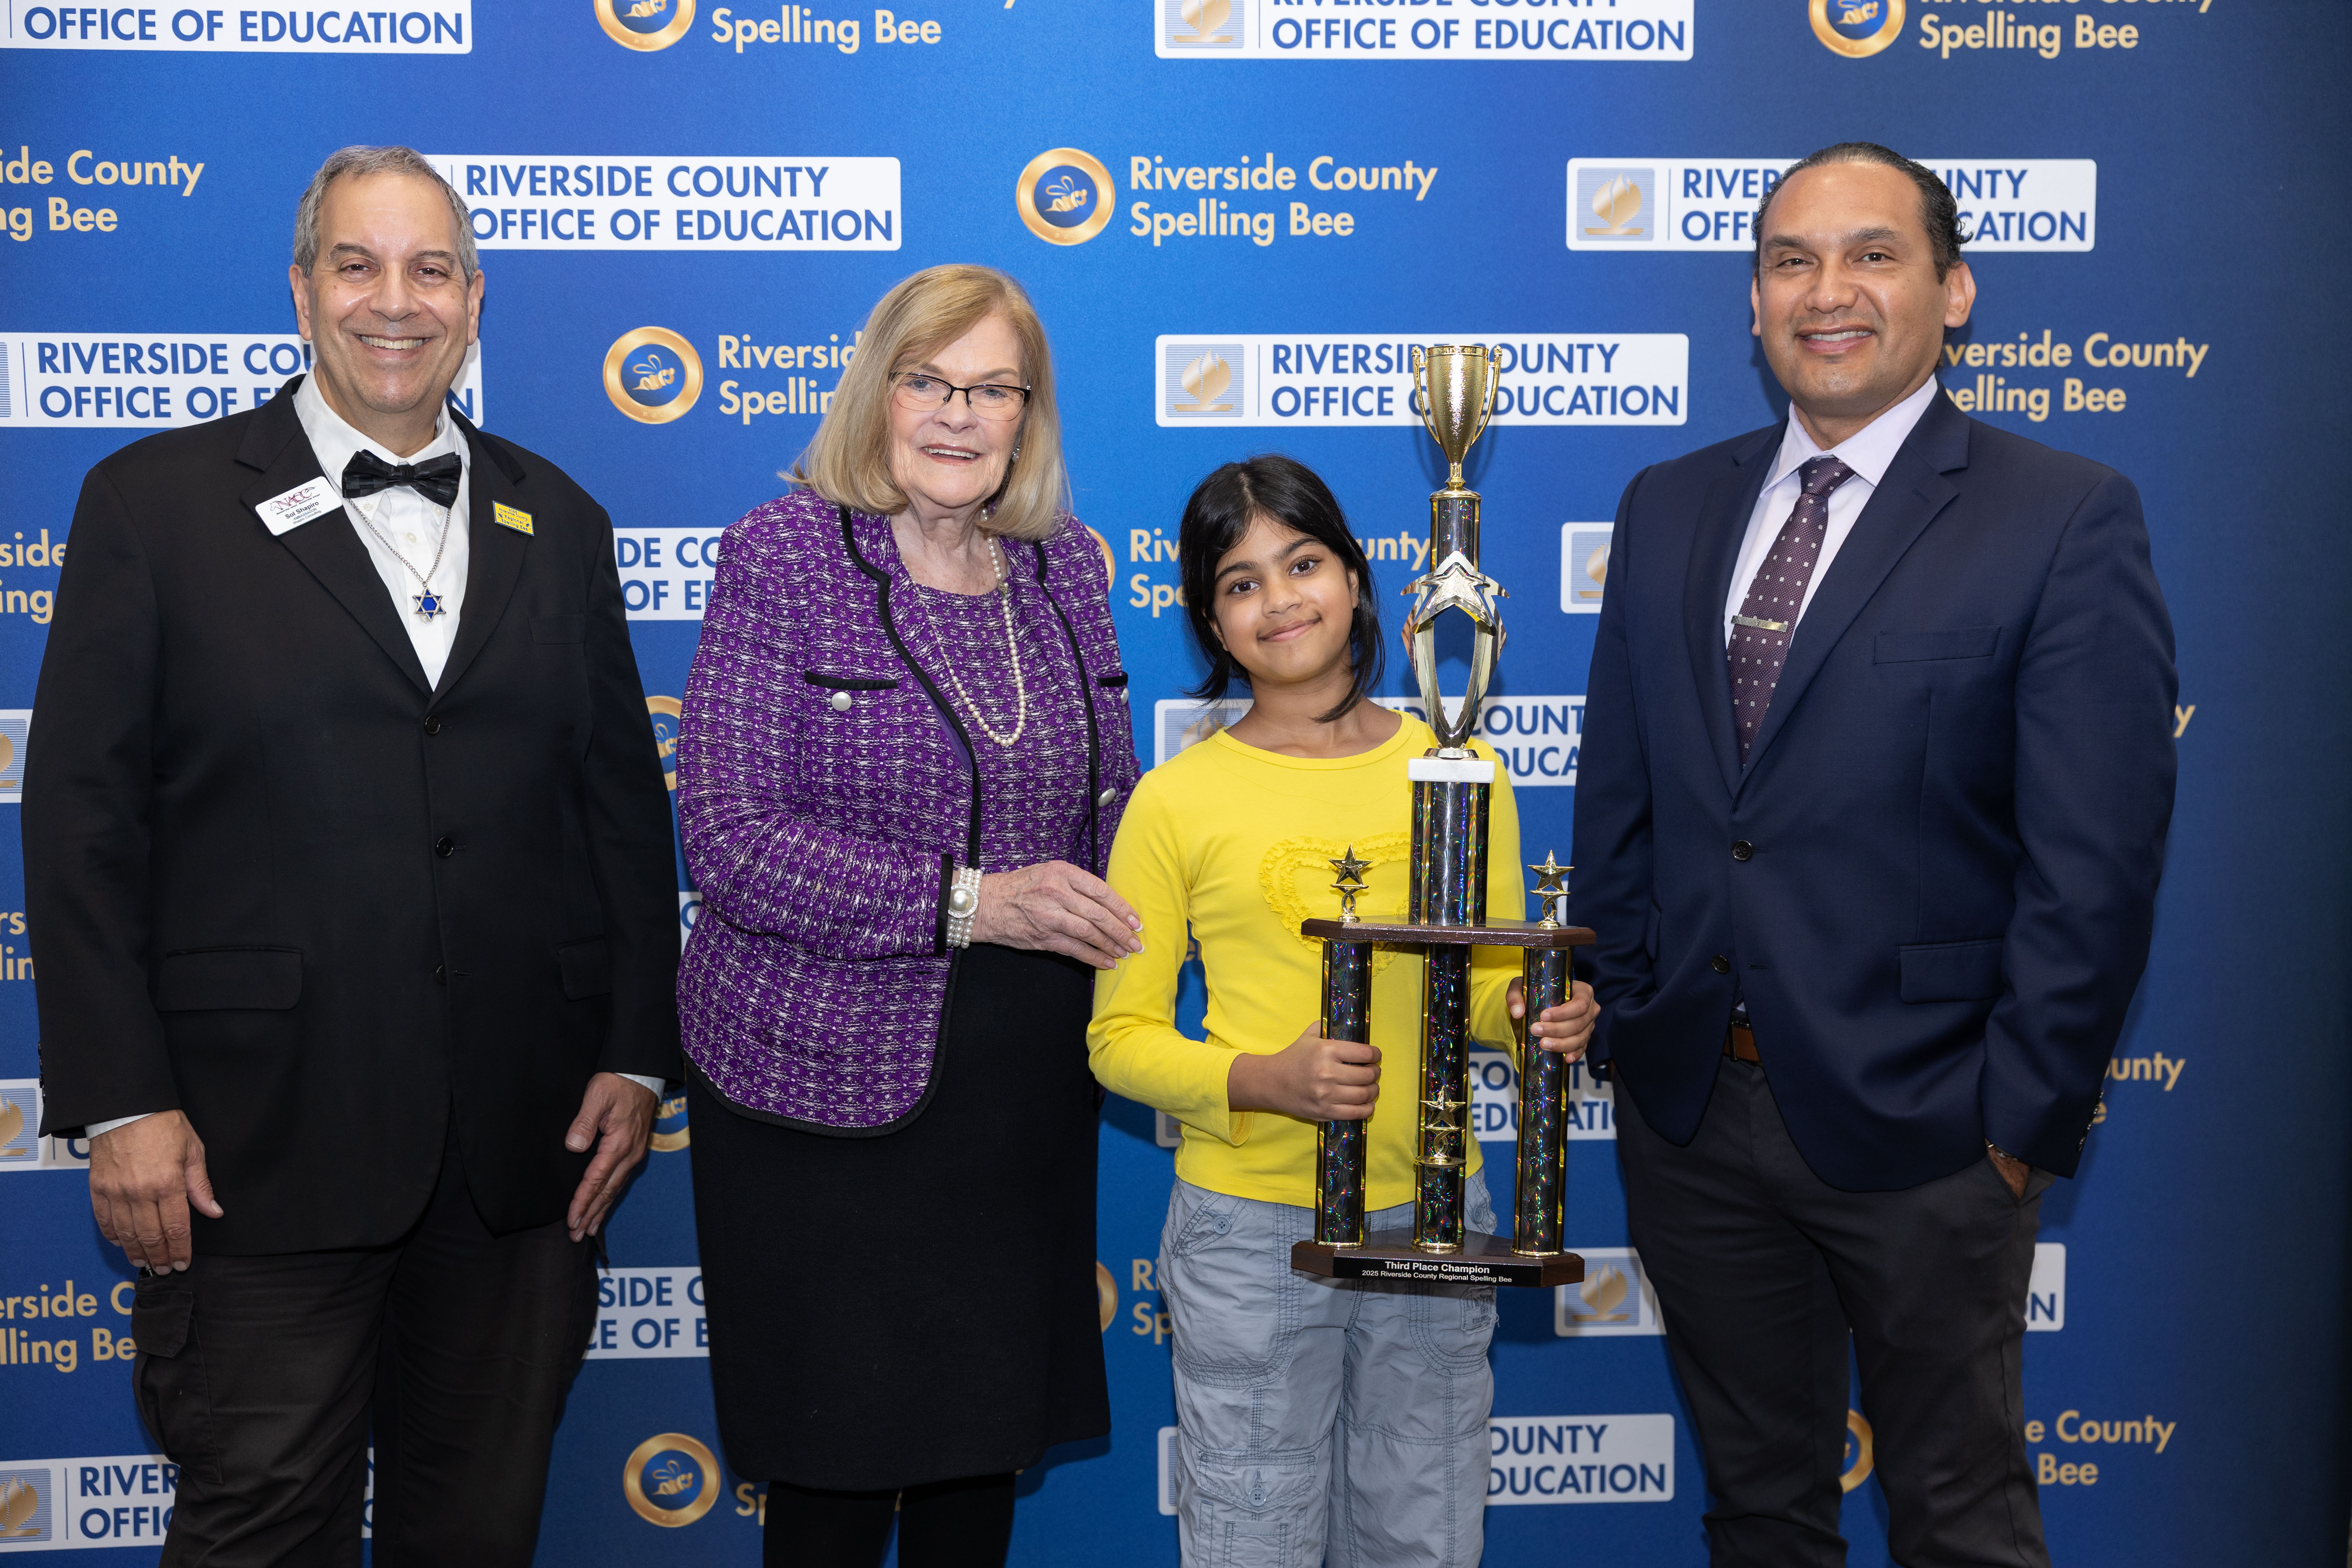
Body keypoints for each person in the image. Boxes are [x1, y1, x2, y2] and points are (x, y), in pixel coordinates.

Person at [23, 144, 681, 1566]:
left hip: (520, 1154)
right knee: (260, 1532)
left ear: (476, 300)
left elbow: (622, 816)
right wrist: (121, 1097)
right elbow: (80, 825)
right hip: (252, 1151)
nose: (397, 301)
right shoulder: (153, 504)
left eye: (431, 269)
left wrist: (636, 1055)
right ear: (300, 288)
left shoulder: (560, 519)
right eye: (358, 264)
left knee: (478, 1534)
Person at [1573, 142, 2176, 1566]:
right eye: (1789, 261)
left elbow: (2093, 861)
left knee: (1959, 1520)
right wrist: (1635, 1020)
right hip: (1694, 1121)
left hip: (1933, 1130)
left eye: (1871, 255)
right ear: (1753, 301)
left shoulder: (2060, 513)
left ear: (1953, 291)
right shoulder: (1668, 505)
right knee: (1757, 1513)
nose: (1825, 291)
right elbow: (1624, 796)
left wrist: (2014, 1126)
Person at [675, 263, 1140, 1568]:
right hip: (820, 1086)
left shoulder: (1064, 565)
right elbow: (730, 839)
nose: (957, 415)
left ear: (1028, 414)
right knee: (835, 1475)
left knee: (978, 1463)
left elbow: (1115, 803)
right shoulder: (783, 553)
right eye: (928, 381)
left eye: (993, 389)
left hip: (1018, 1085)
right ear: (877, 390)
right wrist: (971, 901)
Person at [1088, 455, 1595, 1568]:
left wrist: (1536, 1015)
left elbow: (1484, 990)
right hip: (1251, 1231)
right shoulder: (1174, 800)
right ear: (1210, 622)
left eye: (1304, 563)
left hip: (1435, 1214)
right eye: (1241, 583)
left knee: (1425, 1536)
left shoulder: (1460, 767)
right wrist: (1263, 1079)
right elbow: (1117, 1039)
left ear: (1358, 581)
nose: (1280, 601)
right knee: (1252, 1539)